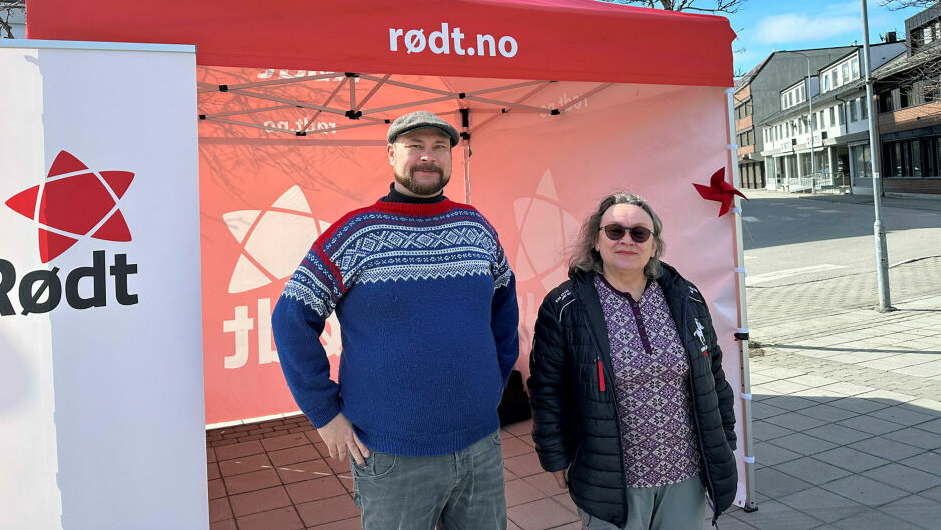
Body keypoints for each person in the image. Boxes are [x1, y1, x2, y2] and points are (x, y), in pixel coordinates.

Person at [272, 110, 519, 530]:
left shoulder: (476, 227)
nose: (428, 157)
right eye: (414, 147)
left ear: (451, 158)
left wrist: (493, 382)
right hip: (391, 453)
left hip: (480, 443)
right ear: (391, 155)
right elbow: (291, 319)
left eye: (439, 147)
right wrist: (324, 413)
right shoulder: (355, 234)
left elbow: (504, 310)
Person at [527, 191, 737, 530]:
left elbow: (712, 373)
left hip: (686, 472)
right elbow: (546, 388)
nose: (627, 240)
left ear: (653, 245)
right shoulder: (565, 305)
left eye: (639, 233)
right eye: (614, 231)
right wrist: (553, 454)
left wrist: (724, 439)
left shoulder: (686, 297)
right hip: (612, 481)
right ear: (596, 240)